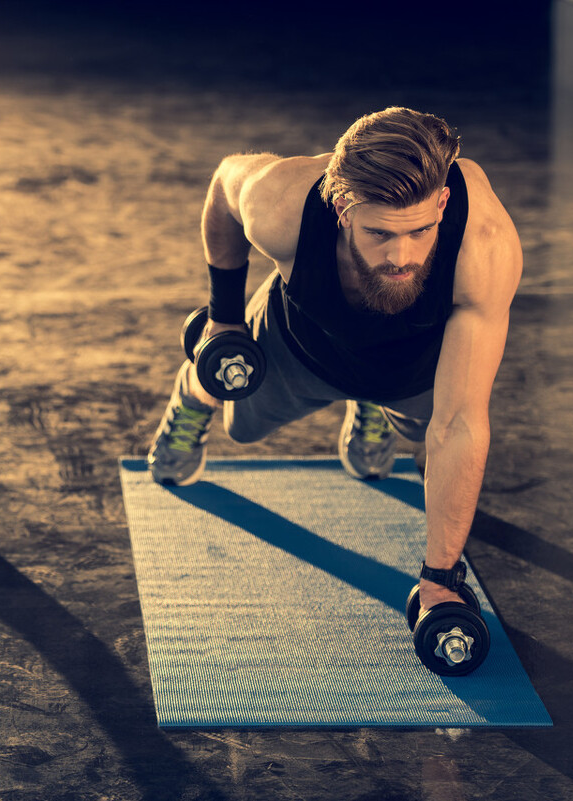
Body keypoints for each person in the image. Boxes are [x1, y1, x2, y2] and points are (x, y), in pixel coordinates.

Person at [147, 107, 522, 615]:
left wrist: (439, 580)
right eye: (380, 234)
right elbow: (222, 190)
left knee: (432, 440)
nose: (401, 257)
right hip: (299, 342)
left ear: (442, 202)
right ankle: (193, 393)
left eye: (418, 231)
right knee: (240, 424)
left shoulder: (485, 245)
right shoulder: (283, 202)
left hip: (411, 367)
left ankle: (370, 403)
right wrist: (224, 317)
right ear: (344, 206)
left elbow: (458, 423)